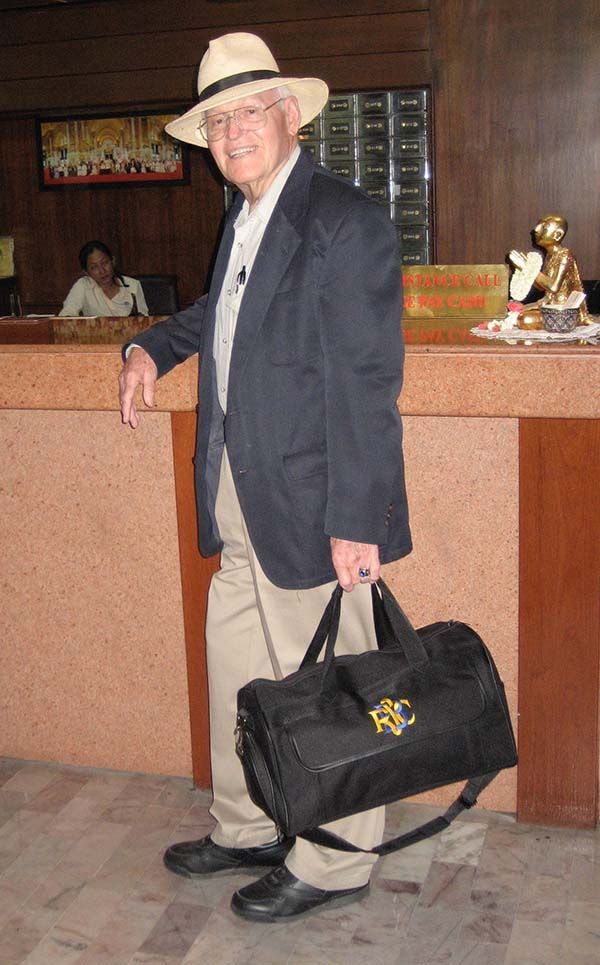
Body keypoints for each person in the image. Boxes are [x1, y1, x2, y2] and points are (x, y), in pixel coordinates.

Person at [118, 32, 411, 922]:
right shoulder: (245, 217)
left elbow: (368, 380)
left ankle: (337, 859)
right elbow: (225, 314)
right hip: (242, 495)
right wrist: (152, 345)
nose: (232, 130)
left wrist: (358, 516)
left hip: (319, 505)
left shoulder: (342, 220)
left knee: (330, 687)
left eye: (249, 110)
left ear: (291, 117)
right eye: (217, 119)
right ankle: (248, 824)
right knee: (241, 676)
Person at [509, 214, 590, 329]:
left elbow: (553, 287)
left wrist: (528, 268)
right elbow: (541, 287)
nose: (536, 230)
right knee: (517, 311)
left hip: (562, 309)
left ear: (557, 235)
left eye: (544, 227)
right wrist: (524, 270)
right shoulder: (549, 255)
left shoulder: (565, 255)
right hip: (548, 304)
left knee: (525, 320)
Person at [59, 240, 149, 317]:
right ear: (86, 272)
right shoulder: (83, 285)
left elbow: (145, 321)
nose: (102, 271)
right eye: (94, 267)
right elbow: (66, 314)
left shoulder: (133, 286)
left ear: (113, 261)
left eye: (105, 263)